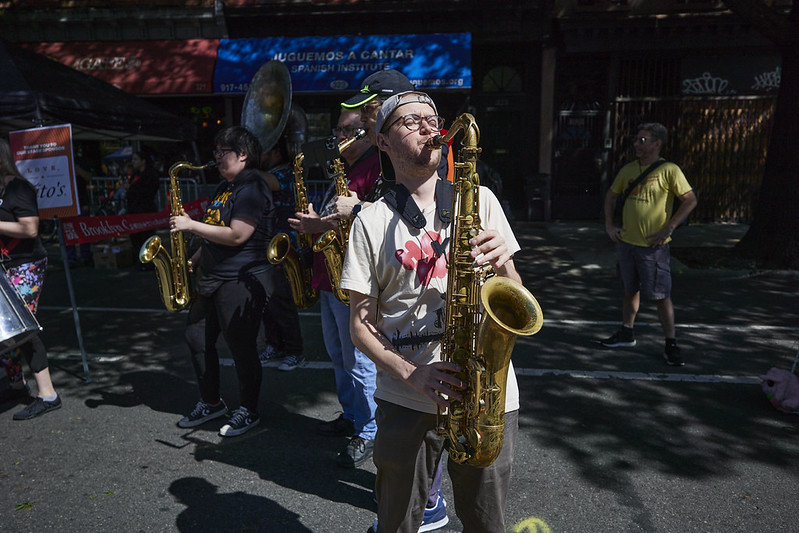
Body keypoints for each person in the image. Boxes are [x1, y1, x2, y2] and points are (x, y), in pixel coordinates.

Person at [341, 91, 522, 532]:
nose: (428, 127)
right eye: (410, 121)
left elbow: (516, 295)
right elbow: (359, 328)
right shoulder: (371, 221)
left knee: (486, 523)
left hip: (486, 392)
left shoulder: (481, 201)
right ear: (382, 142)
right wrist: (411, 374)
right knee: (397, 523)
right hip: (407, 396)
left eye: (432, 118)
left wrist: (504, 264)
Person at [289, 108, 381, 468]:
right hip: (330, 275)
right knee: (338, 354)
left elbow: (374, 216)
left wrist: (318, 225)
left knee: (359, 359)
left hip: (353, 277)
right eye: (337, 129)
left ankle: (370, 430)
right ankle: (352, 415)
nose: (338, 136)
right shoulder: (343, 166)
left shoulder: (375, 166)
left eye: (346, 130)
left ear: (365, 133)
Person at [172, 126, 275, 437]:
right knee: (196, 338)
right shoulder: (225, 187)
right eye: (215, 151)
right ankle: (211, 401)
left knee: (241, 348)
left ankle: (248, 409)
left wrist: (191, 225)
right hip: (213, 277)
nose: (216, 157)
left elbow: (237, 234)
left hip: (240, 280)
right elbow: (215, 230)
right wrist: (192, 260)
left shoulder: (252, 186)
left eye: (223, 152)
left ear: (243, 155)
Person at [601, 122, 697, 366]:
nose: (636, 144)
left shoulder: (669, 170)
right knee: (628, 290)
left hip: (653, 246)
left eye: (642, 140)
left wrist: (670, 226)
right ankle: (627, 332)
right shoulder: (629, 170)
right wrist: (610, 225)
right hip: (626, 243)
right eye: (636, 140)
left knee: (660, 295)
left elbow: (689, 200)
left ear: (657, 143)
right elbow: (611, 196)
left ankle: (670, 343)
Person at [0, 138, 62, 420]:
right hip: (5, 264)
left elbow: (30, 229)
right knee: (4, 329)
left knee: (23, 328)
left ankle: (48, 394)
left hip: (25, 264)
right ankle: (16, 383)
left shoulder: (19, 187)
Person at [259, 136, 305, 371]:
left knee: (281, 300)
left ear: (276, 152)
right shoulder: (267, 173)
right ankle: (274, 345)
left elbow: (269, 182)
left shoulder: (286, 173)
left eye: (263, 151)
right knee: (266, 300)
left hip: (284, 245)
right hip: (266, 243)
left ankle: (295, 351)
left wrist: (242, 165)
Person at [126, 150, 161, 270]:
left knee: (146, 236)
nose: (133, 162)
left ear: (143, 161)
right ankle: (139, 260)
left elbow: (148, 191)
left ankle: (149, 262)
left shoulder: (150, 174)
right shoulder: (135, 174)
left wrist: (133, 188)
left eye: (136, 159)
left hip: (146, 209)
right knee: (135, 237)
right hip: (133, 210)